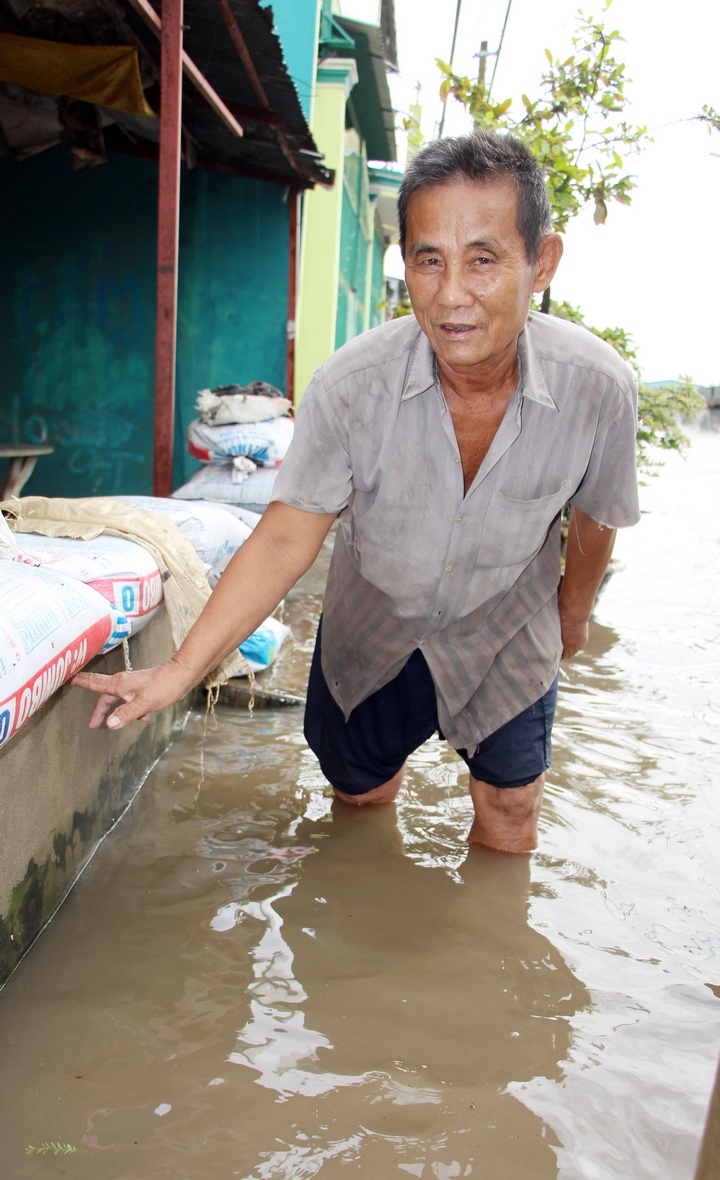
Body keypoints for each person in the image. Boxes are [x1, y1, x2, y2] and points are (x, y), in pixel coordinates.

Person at [73, 131, 640, 854]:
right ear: (404, 263)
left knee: (512, 808)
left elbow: (596, 517)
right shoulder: (348, 387)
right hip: (372, 633)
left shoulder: (599, 389)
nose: (452, 296)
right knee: (361, 801)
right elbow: (284, 535)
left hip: (507, 633)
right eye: (429, 260)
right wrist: (180, 672)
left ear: (543, 262)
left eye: (485, 261)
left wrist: (573, 616)